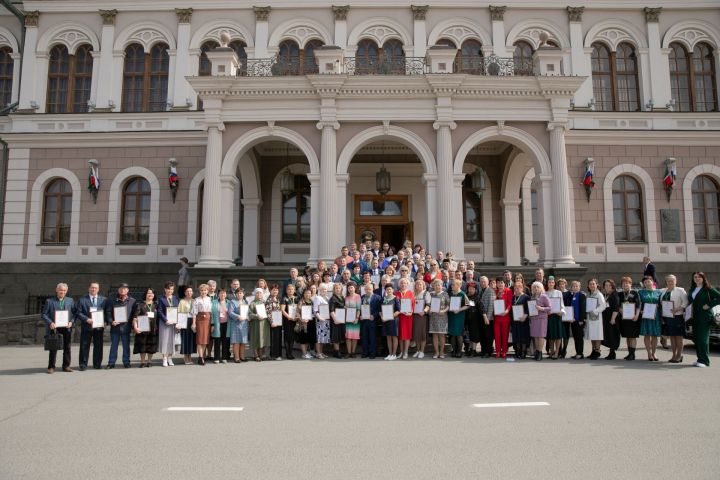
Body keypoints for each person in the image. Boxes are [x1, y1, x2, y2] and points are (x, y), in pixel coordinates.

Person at [687, 272, 720, 368]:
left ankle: (705, 361)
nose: (697, 278)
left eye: (699, 277)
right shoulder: (693, 289)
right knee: (697, 338)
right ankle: (699, 359)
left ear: (703, 278)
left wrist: (709, 305)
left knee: (703, 339)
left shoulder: (708, 288)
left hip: (704, 317)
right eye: (695, 277)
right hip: (694, 317)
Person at [42, 283, 74, 374]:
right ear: (57, 290)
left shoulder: (70, 300)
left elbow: (75, 313)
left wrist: (71, 322)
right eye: (60, 290)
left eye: (64, 290)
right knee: (53, 347)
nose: (62, 292)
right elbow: (44, 314)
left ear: (66, 291)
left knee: (67, 347)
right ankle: (51, 367)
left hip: (66, 327)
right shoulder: (49, 301)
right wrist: (50, 322)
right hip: (55, 327)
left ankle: (66, 366)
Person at [75, 282, 106, 371]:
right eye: (92, 288)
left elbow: (106, 312)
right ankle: (83, 364)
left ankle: (97, 364)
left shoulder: (103, 300)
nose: (93, 289)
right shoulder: (82, 300)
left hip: (99, 327)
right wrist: (86, 319)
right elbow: (78, 312)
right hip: (87, 326)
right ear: (89, 288)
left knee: (98, 345)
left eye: (95, 288)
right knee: (84, 345)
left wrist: (105, 321)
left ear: (98, 289)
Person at [658, 275, 688, 363]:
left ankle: (679, 355)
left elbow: (685, 302)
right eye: (668, 281)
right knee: (671, 337)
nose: (670, 282)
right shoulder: (663, 291)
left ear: (676, 281)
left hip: (677, 316)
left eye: (672, 280)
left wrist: (677, 309)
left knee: (678, 337)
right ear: (666, 282)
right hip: (668, 317)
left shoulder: (680, 290)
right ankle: (674, 355)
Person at [132, 288, 158, 368]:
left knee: (151, 345)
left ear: (154, 295)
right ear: (145, 295)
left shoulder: (156, 305)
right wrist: (135, 327)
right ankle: (142, 362)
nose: (150, 295)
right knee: (142, 345)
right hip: (142, 328)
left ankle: (149, 361)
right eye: (148, 293)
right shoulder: (140, 305)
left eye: (152, 293)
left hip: (153, 328)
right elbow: (135, 317)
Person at [617, 276, 641, 361]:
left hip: (633, 318)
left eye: (627, 283)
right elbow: (618, 305)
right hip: (624, 319)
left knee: (633, 336)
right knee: (627, 336)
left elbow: (638, 305)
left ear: (630, 284)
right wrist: (621, 311)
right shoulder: (619, 294)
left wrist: (637, 315)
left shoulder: (635, 293)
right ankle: (629, 353)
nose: (625, 285)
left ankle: (633, 354)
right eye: (623, 283)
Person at [157, 281, 179, 367]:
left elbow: (178, 310)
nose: (170, 291)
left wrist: (177, 322)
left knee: (172, 341)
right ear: (165, 289)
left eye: (172, 289)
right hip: (164, 323)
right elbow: (159, 311)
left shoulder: (175, 298)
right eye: (168, 289)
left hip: (173, 322)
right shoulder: (161, 299)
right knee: (165, 340)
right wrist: (165, 320)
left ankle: (170, 358)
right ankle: (164, 359)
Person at [427, 279, 450, 359]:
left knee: (442, 335)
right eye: (436, 285)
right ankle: (436, 352)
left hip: (442, 316)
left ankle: (441, 352)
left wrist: (444, 311)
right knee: (435, 335)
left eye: (439, 285)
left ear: (441, 286)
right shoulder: (431, 294)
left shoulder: (445, 294)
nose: (437, 286)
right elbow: (428, 305)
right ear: (433, 286)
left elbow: (448, 305)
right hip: (433, 317)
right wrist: (428, 310)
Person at [447, 279, 470, 358]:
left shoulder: (462, 294)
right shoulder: (451, 294)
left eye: (453, 284)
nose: (452, 286)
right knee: (452, 334)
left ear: (458, 285)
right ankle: (454, 350)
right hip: (452, 316)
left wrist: (459, 309)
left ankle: (459, 351)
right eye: (452, 284)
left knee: (459, 334)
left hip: (459, 316)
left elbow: (468, 305)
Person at [528, 282, 550, 361]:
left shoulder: (544, 296)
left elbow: (550, 308)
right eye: (534, 287)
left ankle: (540, 353)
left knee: (540, 336)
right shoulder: (532, 297)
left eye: (537, 287)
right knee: (535, 336)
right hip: (534, 319)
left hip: (541, 319)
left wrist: (542, 308)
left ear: (541, 288)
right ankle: (537, 351)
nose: (536, 288)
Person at [585, 279, 607, 360]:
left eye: (593, 284)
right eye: (590, 284)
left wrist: (595, 311)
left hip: (597, 317)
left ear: (597, 285)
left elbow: (603, 306)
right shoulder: (589, 294)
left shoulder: (599, 294)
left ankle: (597, 351)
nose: (592, 285)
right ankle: (593, 350)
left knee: (597, 335)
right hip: (590, 317)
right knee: (592, 334)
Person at [191, 283, 212, 365]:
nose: (204, 292)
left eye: (205, 290)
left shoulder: (209, 299)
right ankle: (200, 357)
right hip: (199, 319)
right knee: (200, 339)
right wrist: (193, 323)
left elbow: (211, 311)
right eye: (202, 290)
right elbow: (194, 313)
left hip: (207, 319)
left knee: (205, 340)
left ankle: (202, 356)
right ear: (200, 291)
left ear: (208, 291)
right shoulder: (197, 300)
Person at [545, 277, 565, 360]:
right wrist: (546, 311)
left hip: (557, 316)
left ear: (554, 284)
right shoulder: (544, 293)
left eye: (552, 282)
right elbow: (543, 305)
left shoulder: (558, 292)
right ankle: (551, 352)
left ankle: (556, 352)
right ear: (547, 284)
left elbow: (562, 304)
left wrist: (562, 311)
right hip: (549, 316)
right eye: (549, 282)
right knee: (550, 335)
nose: (551, 284)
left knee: (558, 335)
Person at [248, 287, 271, 361]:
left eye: (260, 293)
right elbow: (249, 314)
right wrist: (257, 316)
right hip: (255, 324)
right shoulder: (252, 303)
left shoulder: (265, 303)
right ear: (255, 294)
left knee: (262, 339)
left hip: (264, 324)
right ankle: (256, 355)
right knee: (255, 339)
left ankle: (261, 354)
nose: (259, 294)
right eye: (257, 293)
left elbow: (269, 311)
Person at [395, 278, 415, 359]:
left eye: (405, 283)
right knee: (400, 335)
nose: (403, 285)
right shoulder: (396, 293)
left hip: (408, 317)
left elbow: (413, 304)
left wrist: (411, 312)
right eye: (402, 283)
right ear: (400, 285)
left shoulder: (410, 293)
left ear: (407, 284)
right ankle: (401, 352)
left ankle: (406, 352)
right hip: (399, 316)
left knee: (407, 334)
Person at [227, 287, 248, 363]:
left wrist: (247, 317)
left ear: (243, 294)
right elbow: (230, 312)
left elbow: (247, 312)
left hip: (244, 323)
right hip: (235, 323)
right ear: (235, 294)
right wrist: (238, 316)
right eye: (238, 293)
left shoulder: (245, 302)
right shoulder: (232, 302)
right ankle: (236, 357)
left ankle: (242, 356)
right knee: (236, 341)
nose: (239, 294)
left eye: (241, 293)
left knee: (243, 341)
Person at [601, 279, 621, 360]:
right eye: (606, 285)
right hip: (606, 318)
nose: (607, 287)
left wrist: (613, 318)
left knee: (612, 335)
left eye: (609, 285)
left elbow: (616, 308)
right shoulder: (606, 295)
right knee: (608, 335)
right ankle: (611, 352)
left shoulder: (614, 295)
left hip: (612, 319)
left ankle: (612, 353)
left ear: (612, 286)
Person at [493, 277, 512, 359]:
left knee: (505, 335)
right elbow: (493, 303)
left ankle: (504, 351)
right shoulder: (494, 292)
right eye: (498, 282)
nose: (500, 284)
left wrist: (507, 311)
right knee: (497, 335)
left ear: (504, 283)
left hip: (505, 316)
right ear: (496, 284)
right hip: (497, 317)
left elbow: (509, 303)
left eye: (502, 282)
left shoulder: (508, 291)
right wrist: (497, 296)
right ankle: (497, 351)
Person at [510, 281, 530, 359]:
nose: (516, 289)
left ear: (522, 288)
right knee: (517, 336)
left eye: (518, 288)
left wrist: (525, 315)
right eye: (515, 288)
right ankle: (518, 351)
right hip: (515, 320)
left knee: (523, 337)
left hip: (523, 320)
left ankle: (523, 352)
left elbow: (529, 308)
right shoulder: (513, 297)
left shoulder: (526, 297)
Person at [361, 283, 382, 359]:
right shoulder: (362, 297)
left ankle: (373, 353)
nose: (368, 290)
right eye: (366, 289)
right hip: (364, 321)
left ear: (372, 289)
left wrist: (374, 315)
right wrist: (360, 315)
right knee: (364, 337)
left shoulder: (378, 297)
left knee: (372, 337)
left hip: (372, 320)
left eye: (369, 289)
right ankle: (365, 353)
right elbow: (360, 308)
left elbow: (379, 309)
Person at [210, 288, 231, 363]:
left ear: (226, 294)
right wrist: (212, 324)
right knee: (217, 340)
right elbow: (211, 314)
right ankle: (216, 357)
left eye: (224, 293)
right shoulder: (213, 302)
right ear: (218, 294)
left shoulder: (229, 302)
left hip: (226, 324)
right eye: (221, 293)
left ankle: (224, 357)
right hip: (217, 323)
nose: (223, 294)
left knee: (225, 341)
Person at [381, 284, 401, 360]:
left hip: (393, 320)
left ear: (393, 290)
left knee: (394, 336)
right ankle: (390, 354)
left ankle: (394, 354)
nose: (389, 291)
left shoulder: (396, 298)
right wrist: (382, 317)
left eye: (390, 289)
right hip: (386, 321)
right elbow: (380, 310)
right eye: (387, 289)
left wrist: (391, 316)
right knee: (388, 337)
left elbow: (399, 310)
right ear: (385, 290)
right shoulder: (383, 299)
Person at [477, 276, 495, 358]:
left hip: (488, 318)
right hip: (480, 317)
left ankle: (488, 352)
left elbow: (491, 305)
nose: (483, 283)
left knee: (488, 336)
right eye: (481, 282)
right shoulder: (480, 290)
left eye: (484, 281)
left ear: (488, 282)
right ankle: (483, 350)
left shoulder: (490, 291)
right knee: (482, 335)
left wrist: (487, 317)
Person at [177, 286, 196, 365]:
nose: (189, 293)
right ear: (185, 293)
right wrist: (178, 324)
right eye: (187, 291)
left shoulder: (194, 301)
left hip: (193, 321)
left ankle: (190, 356)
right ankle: (185, 356)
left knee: (191, 339)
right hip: (184, 321)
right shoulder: (182, 301)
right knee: (185, 339)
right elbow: (179, 312)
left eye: (191, 291)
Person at [568, 281, 587, 359]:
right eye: (573, 286)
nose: (575, 288)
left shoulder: (582, 296)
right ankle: (577, 352)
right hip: (573, 320)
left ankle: (580, 353)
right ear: (571, 288)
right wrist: (570, 317)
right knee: (575, 337)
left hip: (579, 321)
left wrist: (581, 320)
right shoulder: (572, 296)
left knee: (579, 337)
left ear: (579, 287)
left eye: (577, 286)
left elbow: (583, 308)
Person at [412, 279, 429, 359]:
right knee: (416, 334)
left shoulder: (426, 293)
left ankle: (422, 351)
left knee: (422, 334)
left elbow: (428, 305)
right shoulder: (413, 294)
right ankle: (418, 350)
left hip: (422, 316)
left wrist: (424, 311)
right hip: (415, 316)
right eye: (417, 284)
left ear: (423, 286)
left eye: (420, 284)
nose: (418, 286)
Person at [344, 283, 362, 358]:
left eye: (351, 287)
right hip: (348, 319)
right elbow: (344, 308)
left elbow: (358, 308)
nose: (350, 289)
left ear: (354, 288)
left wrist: (357, 318)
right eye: (349, 288)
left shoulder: (358, 297)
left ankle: (353, 352)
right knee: (348, 337)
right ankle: (348, 352)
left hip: (355, 319)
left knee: (354, 337)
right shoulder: (346, 297)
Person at [329, 283, 346, 359]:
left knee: (339, 335)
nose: (338, 289)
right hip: (335, 320)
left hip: (341, 319)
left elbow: (343, 306)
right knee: (336, 336)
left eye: (339, 288)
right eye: (336, 288)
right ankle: (336, 352)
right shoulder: (333, 298)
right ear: (334, 289)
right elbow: (331, 310)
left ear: (341, 289)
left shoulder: (342, 297)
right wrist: (335, 319)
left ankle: (336, 351)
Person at [265, 285, 283, 361]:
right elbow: (268, 312)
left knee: (278, 338)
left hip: (278, 321)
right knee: (273, 339)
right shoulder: (269, 300)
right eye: (273, 290)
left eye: (276, 290)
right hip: (272, 322)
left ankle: (278, 354)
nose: (275, 291)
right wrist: (271, 322)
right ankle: (273, 355)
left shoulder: (278, 299)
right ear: (270, 290)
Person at [281, 284, 298, 359]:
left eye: (292, 289)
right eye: (289, 289)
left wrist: (297, 316)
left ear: (294, 290)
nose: (291, 291)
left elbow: (299, 309)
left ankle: (290, 352)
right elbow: (282, 310)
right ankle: (288, 353)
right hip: (287, 320)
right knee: (287, 337)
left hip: (294, 320)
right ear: (286, 290)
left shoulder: (296, 298)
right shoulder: (284, 298)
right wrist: (289, 317)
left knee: (292, 337)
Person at [313, 285, 330, 359]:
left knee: (323, 337)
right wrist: (319, 317)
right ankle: (318, 353)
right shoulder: (317, 298)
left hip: (326, 320)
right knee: (319, 337)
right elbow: (315, 309)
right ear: (319, 290)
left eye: (325, 289)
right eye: (322, 289)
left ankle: (321, 352)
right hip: (320, 320)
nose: (324, 290)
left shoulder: (327, 298)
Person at [557, 278, 573, 358]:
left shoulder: (569, 293)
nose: (561, 285)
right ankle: (559, 350)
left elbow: (570, 304)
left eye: (563, 284)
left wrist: (570, 315)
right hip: (558, 315)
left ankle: (564, 349)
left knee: (566, 334)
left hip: (567, 314)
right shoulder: (557, 292)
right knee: (559, 333)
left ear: (565, 284)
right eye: (560, 284)